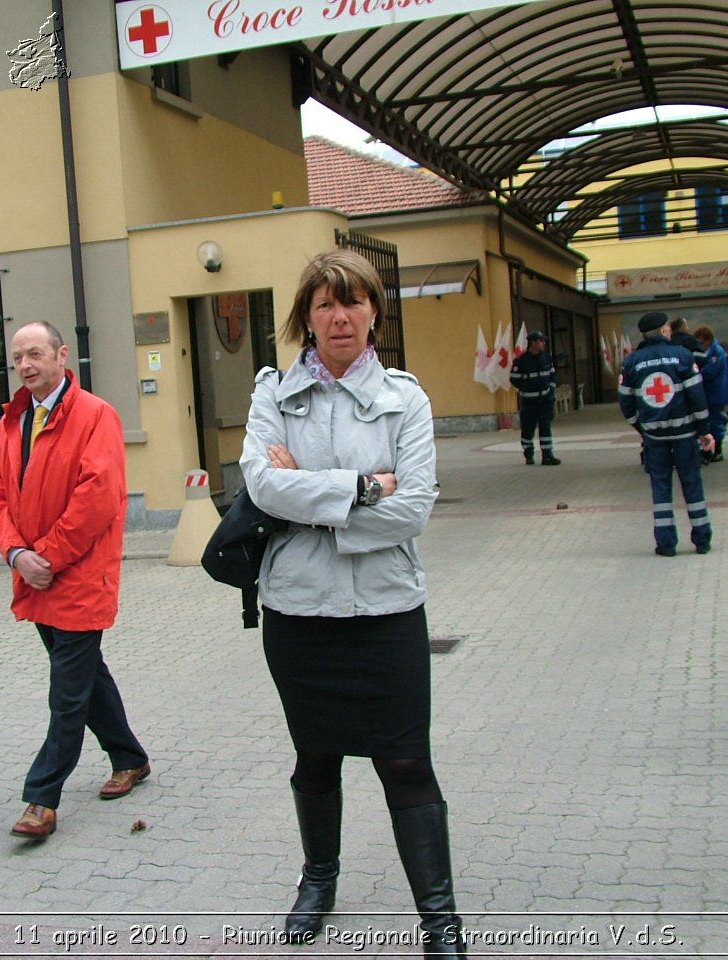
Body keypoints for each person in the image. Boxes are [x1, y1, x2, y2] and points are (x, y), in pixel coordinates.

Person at [240, 249, 465, 955]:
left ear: (374, 311)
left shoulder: (408, 396)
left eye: (355, 301)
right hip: (298, 613)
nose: (341, 316)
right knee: (316, 756)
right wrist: (365, 488)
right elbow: (260, 489)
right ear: (305, 316)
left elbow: (416, 510)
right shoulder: (273, 393)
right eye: (326, 303)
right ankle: (318, 879)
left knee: (406, 763)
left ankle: (440, 920)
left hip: (387, 613)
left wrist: (309, 492)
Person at [0, 321, 150, 840]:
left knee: (67, 695)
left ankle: (41, 799)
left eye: (35, 354)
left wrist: (46, 557)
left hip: (77, 578)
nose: (26, 365)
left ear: (61, 356)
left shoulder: (96, 416)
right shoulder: (13, 421)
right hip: (35, 577)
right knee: (86, 678)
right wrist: (16, 554)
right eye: (17, 358)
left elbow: (97, 500)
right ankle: (130, 758)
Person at [618, 311, 716, 556]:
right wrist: (704, 431)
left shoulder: (632, 362)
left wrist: (641, 427)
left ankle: (666, 543)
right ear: (663, 331)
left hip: (654, 438)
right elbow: (697, 397)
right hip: (684, 434)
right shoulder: (682, 356)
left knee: (660, 487)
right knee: (692, 483)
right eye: (668, 329)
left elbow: (626, 402)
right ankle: (702, 540)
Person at [509, 330, 561, 465]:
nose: (543, 343)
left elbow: (552, 374)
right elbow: (514, 379)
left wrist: (551, 389)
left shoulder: (546, 357)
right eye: (540, 341)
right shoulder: (521, 361)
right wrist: (526, 387)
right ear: (533, 343)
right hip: (529, 401)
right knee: (528, 428)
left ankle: (547, 455)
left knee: (545, 426)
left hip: (545, 399)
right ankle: (528, 454)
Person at [692, 324, 728, 463]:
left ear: (707, 340)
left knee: (715, 422)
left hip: (717, 393)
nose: (700, 345)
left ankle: (718, 450)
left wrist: (695, 374)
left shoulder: (716, 352)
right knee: (711, 422)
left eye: (701, 342)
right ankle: (710, 450)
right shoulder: (711, 350)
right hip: (712, 393)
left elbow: (710, 372)